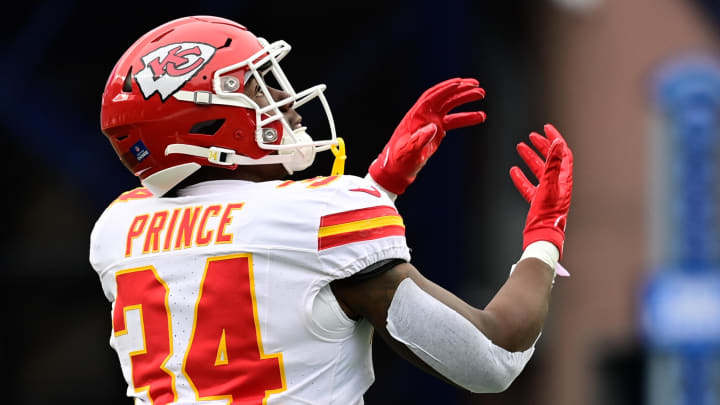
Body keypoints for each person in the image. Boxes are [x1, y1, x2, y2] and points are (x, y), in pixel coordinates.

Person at [90, 15, 573, 405]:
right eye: (257, 89)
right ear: (207, 121)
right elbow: (491, 359)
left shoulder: (116, 228)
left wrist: (382, 183)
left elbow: (261, 260)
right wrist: (543, 243)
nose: (286, 102)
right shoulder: (327, 215)